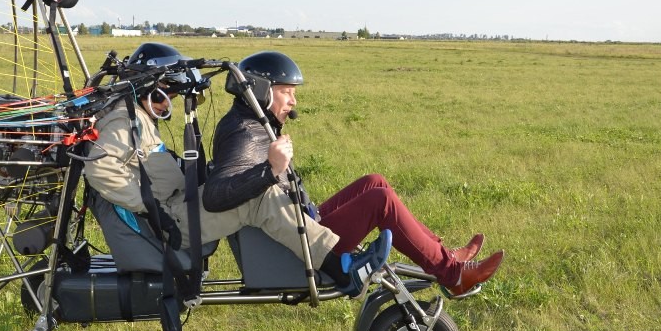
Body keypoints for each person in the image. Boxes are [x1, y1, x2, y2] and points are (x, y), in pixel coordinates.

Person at [83, 43, 391, 298]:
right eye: (168, 94)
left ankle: (334, 257)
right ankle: (344, 271)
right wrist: (149, 209)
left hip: (174, 209)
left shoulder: (136, 117)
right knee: (259, 196)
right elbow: (100, 170)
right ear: (150, 87)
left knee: (248, 187)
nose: (169, 104)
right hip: (167, 220)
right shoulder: (124, 120)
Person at [203, 50, 504, 296]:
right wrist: (270, 171)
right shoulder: (244, 132)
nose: (294, 101)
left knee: (375, 182)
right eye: (287, 92)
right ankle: (454, 276)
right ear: (261, 90)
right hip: (294, 249)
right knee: (380, 201)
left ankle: (443, 256)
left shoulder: (252, 121)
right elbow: (216, 196)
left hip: (299, 222)